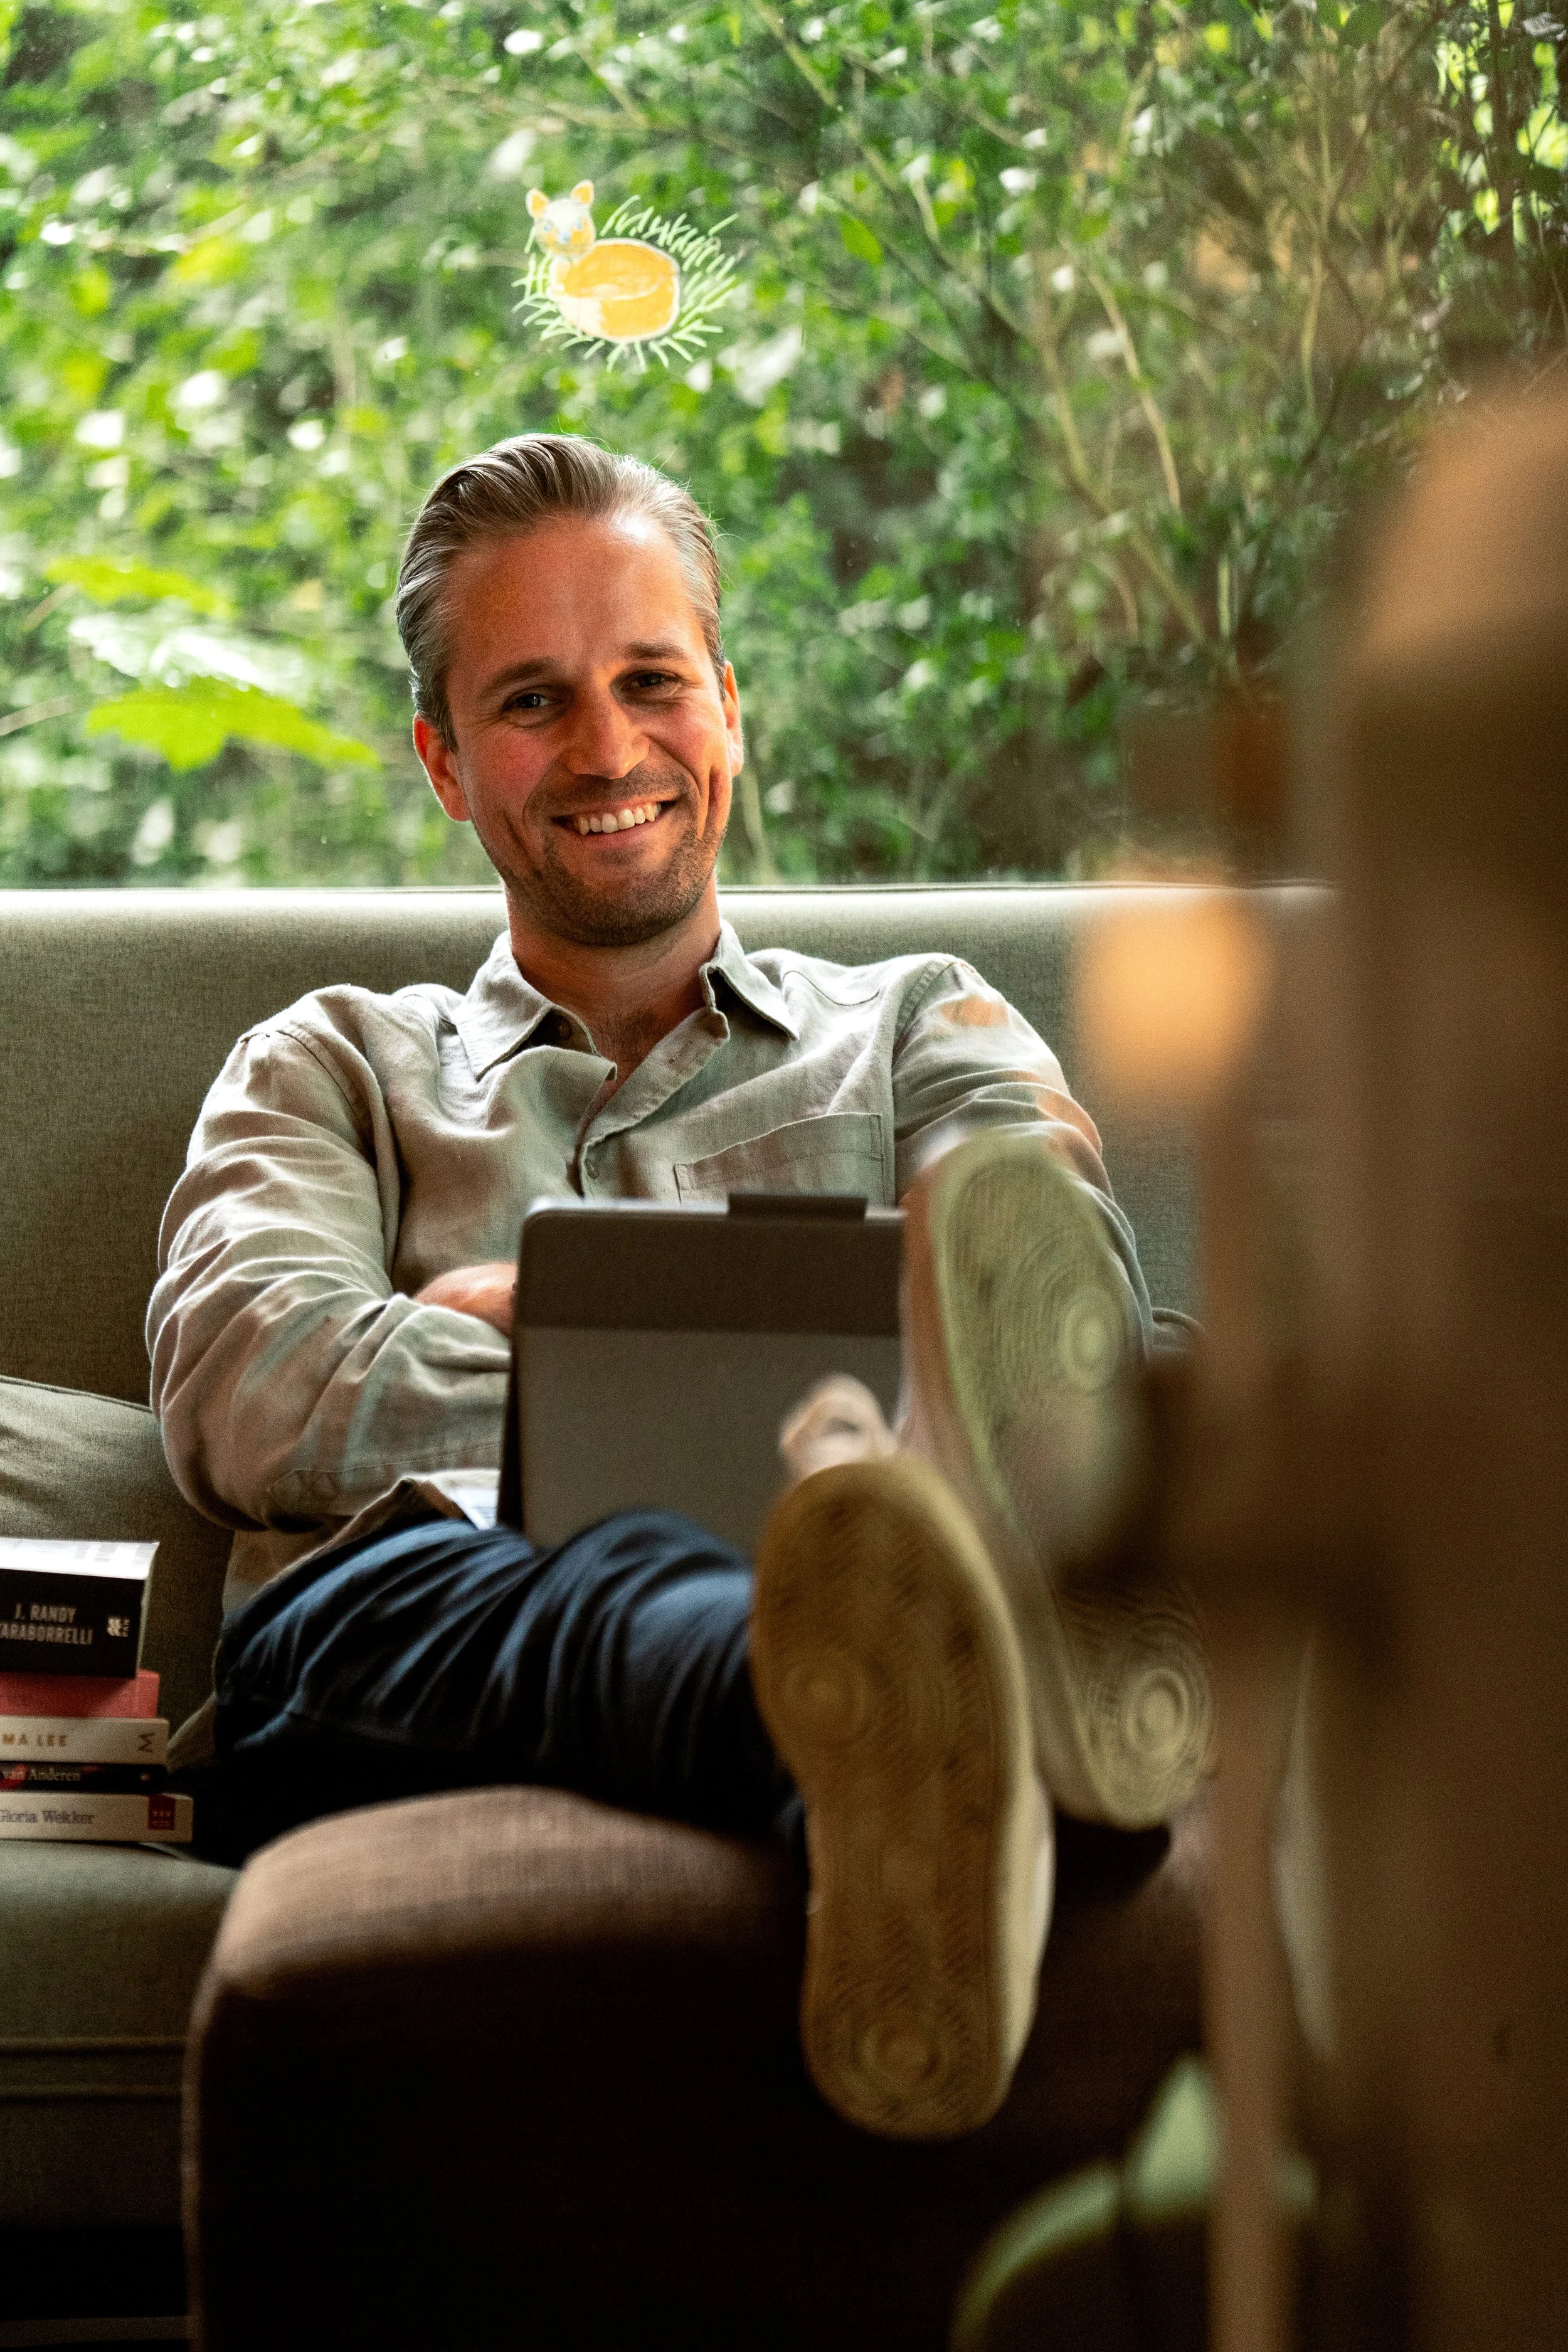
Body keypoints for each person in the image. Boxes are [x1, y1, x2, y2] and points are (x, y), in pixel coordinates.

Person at [150, 433, 1210, 2141]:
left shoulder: (923, 1022)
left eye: (651, 679)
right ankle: (928, 1683)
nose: (607, 745)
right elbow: (254, 1383)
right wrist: (804, 1445)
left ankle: (909, 1741)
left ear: (729, 705)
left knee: (976, 1488)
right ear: (440, 761)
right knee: (469, 1575)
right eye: (531, 701)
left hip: (894, 1534)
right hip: (416, 1627)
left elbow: (1049, 1324)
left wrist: (494, 1318)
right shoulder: (332, 1063)